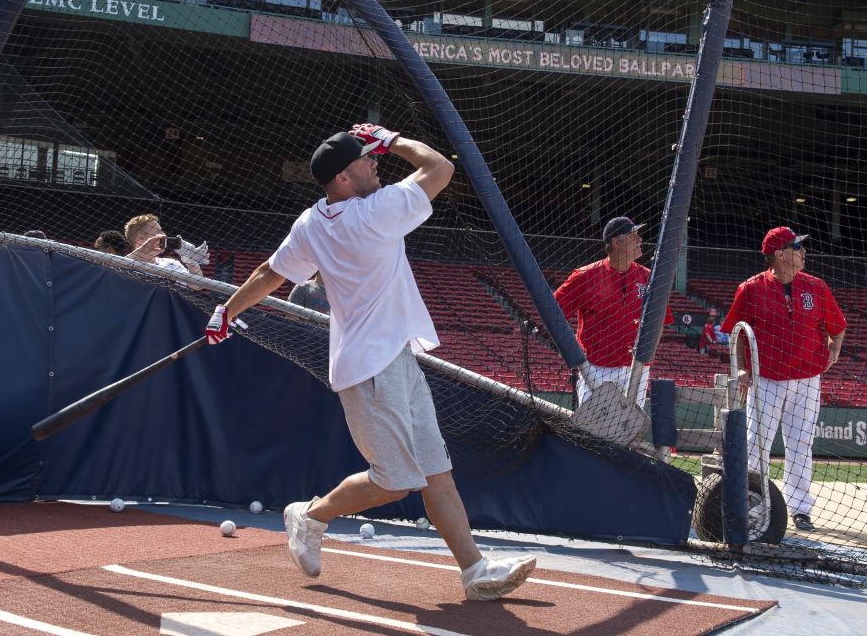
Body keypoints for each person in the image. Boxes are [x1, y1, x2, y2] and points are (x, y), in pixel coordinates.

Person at [203, 123, 536, 601]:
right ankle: (310, 516)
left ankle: (475, 571)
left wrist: (225, 310)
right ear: (342, 178)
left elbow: (268, 273)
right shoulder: (375, 212)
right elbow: (439, 167)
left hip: (395, 358)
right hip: (369, 369)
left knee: (435, 472)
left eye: (374, 155)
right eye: (365, 158)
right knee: (395, 482)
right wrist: (392, 136)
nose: (375, 161)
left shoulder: (312, 221)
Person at [721, 226, 846, 532]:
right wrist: (740, 368)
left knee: (801, 444)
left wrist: (835, 349)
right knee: (756, 444)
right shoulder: (750, 288)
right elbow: (736, 331)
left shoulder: (816, 286)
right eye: (796, 247)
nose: (803, 252)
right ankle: (750, 499)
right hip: (767, 379)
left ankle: (801, 509)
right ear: (779, 254)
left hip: (806, 378)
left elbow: (837, 326)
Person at [554, 216, 672, 409]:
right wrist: (574, 353)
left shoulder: (649, 276)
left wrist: (646, 359)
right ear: (616, 242)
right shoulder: (585, 276)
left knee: (629, 430)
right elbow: (553, 314)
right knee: (591, 429)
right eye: (633, 236)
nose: (640, 240)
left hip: (637, 368)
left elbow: (659, 321)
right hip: (595, 367)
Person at [123, 213, 208, 277]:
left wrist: (191, 263)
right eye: (158, 231)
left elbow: (196, 286)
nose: (164, 234)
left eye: (162, 230)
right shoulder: (120, 264)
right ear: (141, 239)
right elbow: (114, 270)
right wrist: (141, 252)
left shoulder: (172, 264)